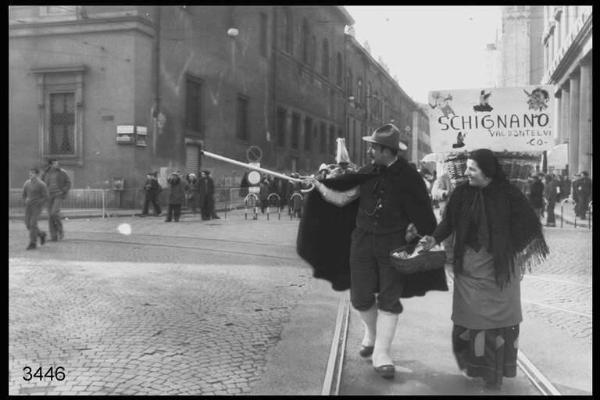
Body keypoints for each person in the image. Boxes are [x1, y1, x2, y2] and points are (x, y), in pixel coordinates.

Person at [303, 123, 447, 379]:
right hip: (361, 242)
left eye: (374, 147)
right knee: (360, 297)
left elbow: (421, 210)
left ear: (386, 151)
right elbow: (343, 198)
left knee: (389, 299)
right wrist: (320, 186)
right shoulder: (366, 172)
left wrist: (421, 233)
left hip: (393, 245)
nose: (369, 151)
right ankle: (371, 334)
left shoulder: (409, 177)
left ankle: (381, 354)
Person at [419, 149, 549, 390]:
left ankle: (493, 373)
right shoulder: (460, 193)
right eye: (466, 167)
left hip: (499, 269)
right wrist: (433, 240)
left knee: (496, 326)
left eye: (472, 169)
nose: (466, 172)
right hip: (469, 268)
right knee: (470, 321)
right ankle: (474, 365)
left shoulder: (509, 194)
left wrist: (514, 251)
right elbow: (448, 223)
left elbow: (530, 226)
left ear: (487, 172)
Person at [41, 159, 71, 241]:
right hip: (48, 196)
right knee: (50, 216)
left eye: (57, 163)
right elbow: (42, 184)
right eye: (55, 163)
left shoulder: (62, 172)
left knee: (54, 213)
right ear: (50, 164)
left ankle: (60, 230)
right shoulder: (45, 173)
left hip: (58, 195)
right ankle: (53, 236)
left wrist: (63, 191)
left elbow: (68, 183)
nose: (57, 164)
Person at [22, 167, 49, 250]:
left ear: (37, 174)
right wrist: (25, 200)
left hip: (36, 207)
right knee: (28, 224)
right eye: (30, 172)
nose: (30, 174)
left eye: (33, 173)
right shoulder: (26, 183)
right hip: (28, 207)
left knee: (33, 224)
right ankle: (41, 234)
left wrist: (39, 203)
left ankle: (32, 243)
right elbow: (24, 194)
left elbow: (46, 197)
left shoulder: (41, 184)